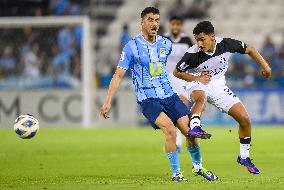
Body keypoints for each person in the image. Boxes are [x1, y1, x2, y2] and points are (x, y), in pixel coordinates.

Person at [100, 7, 218, 182]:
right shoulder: (131, 47)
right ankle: (176, 173)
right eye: (150, 20)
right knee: (170, 129)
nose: (154, 24)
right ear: (142, 22)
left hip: (169, 95)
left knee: (190, 132)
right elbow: (118, 75)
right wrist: (108, 101)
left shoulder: (165, 44)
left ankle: (198, 167)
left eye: (157, 20)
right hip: (148, 99)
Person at [174, 21, 272, 174]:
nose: (199, 43)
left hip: (219, 86)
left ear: (212, 37)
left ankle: (244, 157)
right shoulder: (192, 54)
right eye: (197, 40)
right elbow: (177, 72)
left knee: (245, 120)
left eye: (202, 39)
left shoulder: (227, 44)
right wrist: (196, 79)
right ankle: (195, 127)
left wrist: (266, 66)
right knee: (201, 98)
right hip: (197, 82)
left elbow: (250, 50)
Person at [163, 16, 193, 153]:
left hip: (181, 79)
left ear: (181, 26)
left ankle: (180, 142)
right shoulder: (163, 39)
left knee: (182, 111)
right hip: (167, 79)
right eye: (173, 24)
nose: (175, 27)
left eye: (178, 24)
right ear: (170, 25)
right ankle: (173, 141)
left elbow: (193, 59)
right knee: (170, 114)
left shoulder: (187, 41)